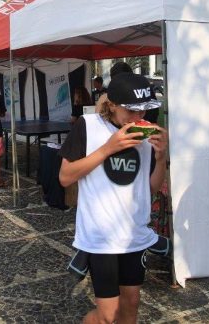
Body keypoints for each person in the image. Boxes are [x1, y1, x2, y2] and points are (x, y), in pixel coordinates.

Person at [58, 72, 168, 324]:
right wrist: (109, 148)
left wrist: (161, 158)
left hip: (134, 237)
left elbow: (149, 189)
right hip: (101, 238)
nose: (139, 117)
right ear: (112, 105)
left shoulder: (146, 135)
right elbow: (65, 177)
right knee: (108, 316)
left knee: (131, 308)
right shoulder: (88, 126)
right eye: (132, 111)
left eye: (144, 110)